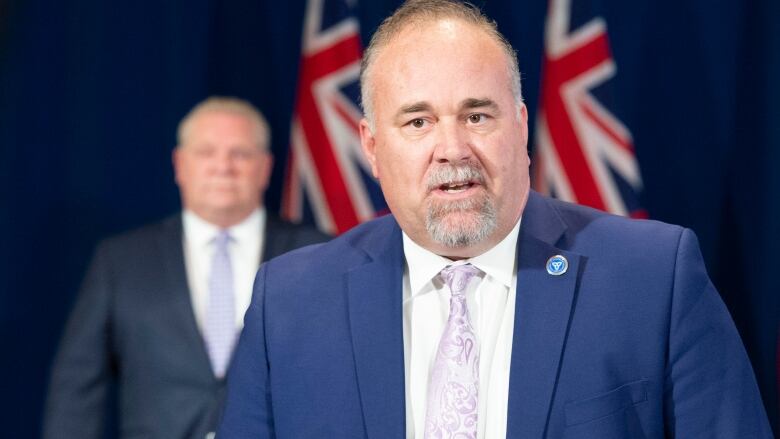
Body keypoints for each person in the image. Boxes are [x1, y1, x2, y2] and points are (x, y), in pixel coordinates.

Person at [217, 1, 773, 438]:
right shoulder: (287, 304)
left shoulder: (654, 279)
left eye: (477, 114)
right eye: (417, 122)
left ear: (520, 126)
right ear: (371, 145)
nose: (451, 147)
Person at [43, 97, 330, 439]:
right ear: (180, 164)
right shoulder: (121, 260)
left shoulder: (318, 253)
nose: (223, 166)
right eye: (206, 152)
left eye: (240, 153)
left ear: (265, 168)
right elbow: (77, 387)